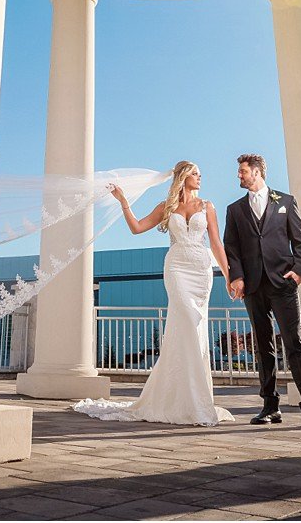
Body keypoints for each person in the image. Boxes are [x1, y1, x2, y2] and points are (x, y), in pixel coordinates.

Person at [72, 160, 235, 426]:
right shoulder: (166, 207)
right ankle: (185, 400)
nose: (200, 177)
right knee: (185, 323)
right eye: (195, 173)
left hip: (201, 270)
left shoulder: (207, 206)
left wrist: (228, 277)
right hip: (177, 269)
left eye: (200, 174)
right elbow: (136, 228)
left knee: (196, 328)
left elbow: (217, 243)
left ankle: (194, 399)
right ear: (183, 176)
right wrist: (123, 201)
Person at [223, 152, 301, 431]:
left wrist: (298, 273)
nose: (239, 176)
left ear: (257, 172)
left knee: (295, 345)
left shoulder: (286, 202)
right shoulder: (234, 210)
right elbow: (231, 247)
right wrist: (238, 277)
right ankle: (270, 406)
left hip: (283, 284)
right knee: (263, 347)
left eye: (243, 171)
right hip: (253, 286)